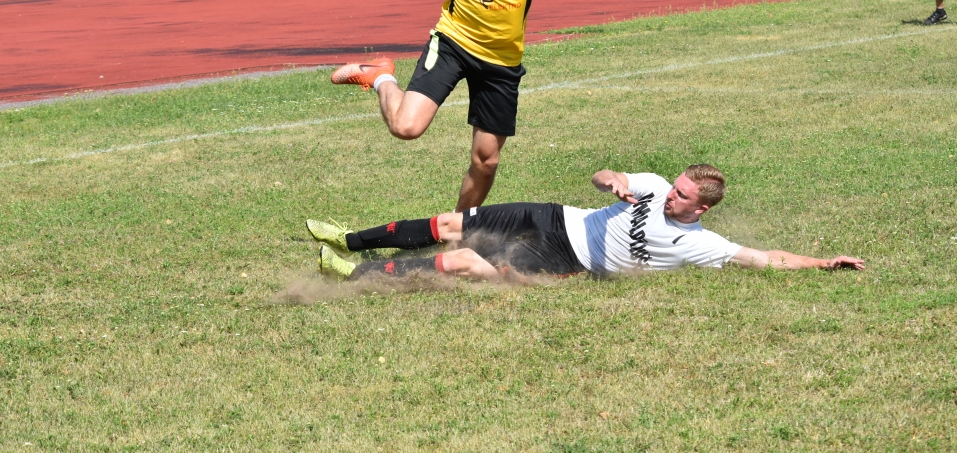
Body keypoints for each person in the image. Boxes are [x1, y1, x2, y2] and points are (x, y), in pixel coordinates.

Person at [309, 0, 615, 211]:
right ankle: (380, 74)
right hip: (453, 41)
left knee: (487, 161)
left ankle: (458, 228)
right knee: (406, 127)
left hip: (501, 60)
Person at [305, 164, 864, 281]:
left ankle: (351, 275)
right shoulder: (650, 185)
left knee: (464, 261)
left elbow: (766, 259)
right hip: (553, 216)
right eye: (674, 188)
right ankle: (350, 238)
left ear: (702, 208)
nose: (671, 197)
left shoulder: (703, 244)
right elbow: (605, 174)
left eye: (683, 197)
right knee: (451, 222)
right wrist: (612, 182)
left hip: (565, 260)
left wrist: (822, 261)